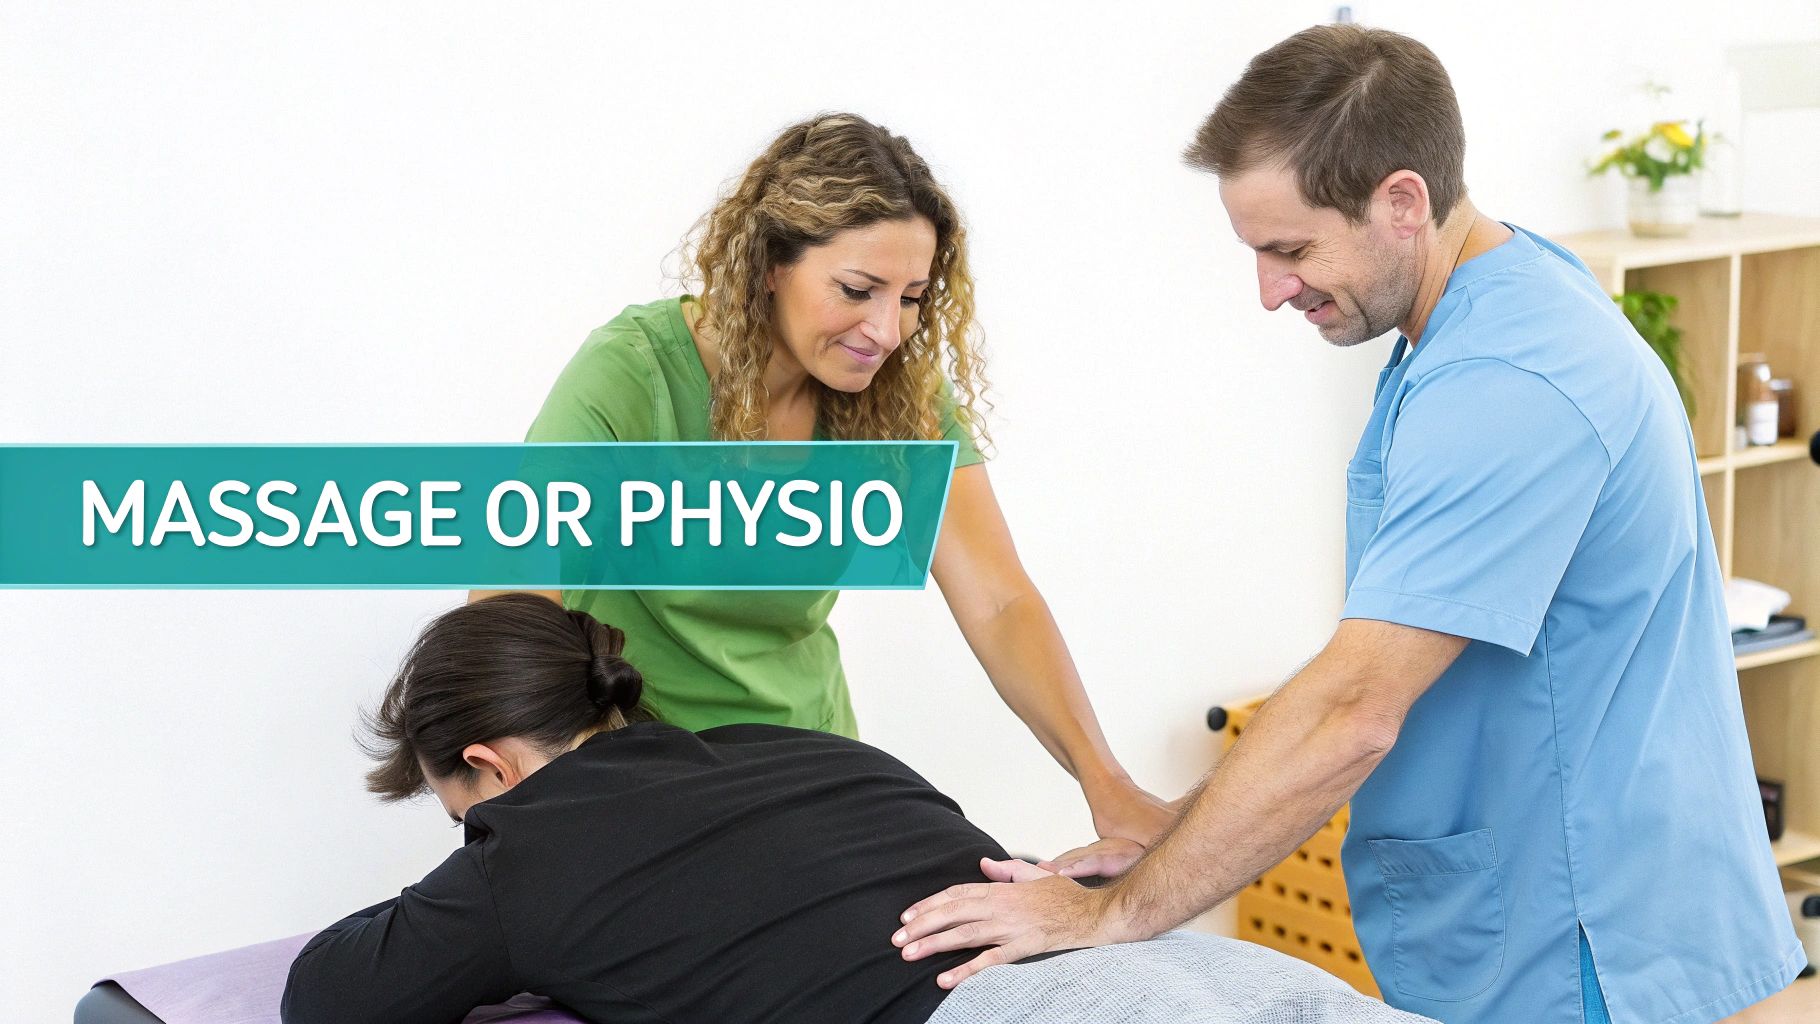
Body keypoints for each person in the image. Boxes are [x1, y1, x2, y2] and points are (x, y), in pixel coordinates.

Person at [892, 25, 1806, 1023]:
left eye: (1289, 249)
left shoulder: (1507, 384)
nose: (1269, 289)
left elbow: (1352, 708)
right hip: (1533, 908)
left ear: (1400, 202)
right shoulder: (1480, 313)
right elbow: (1380, 652)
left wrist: (1112, 914)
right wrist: (1176, 827)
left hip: (1581, 934)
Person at [475, 112, 1167, 862]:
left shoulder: (896, 395)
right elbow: (513, 603)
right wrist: (549, 803)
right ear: (770, 263)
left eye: (909, 297)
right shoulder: (633, 373)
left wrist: (1106, 782)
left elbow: (999, 602)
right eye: (858, 289)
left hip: (808, 767)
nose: (887, 330)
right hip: (639, 768)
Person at [280, 594, 1432, 1024]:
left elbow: (327, 995)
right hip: (1184, 973)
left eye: (458, 810)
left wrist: (476, 871)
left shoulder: (520, 853)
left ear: (485, 762)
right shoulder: (797, 751)